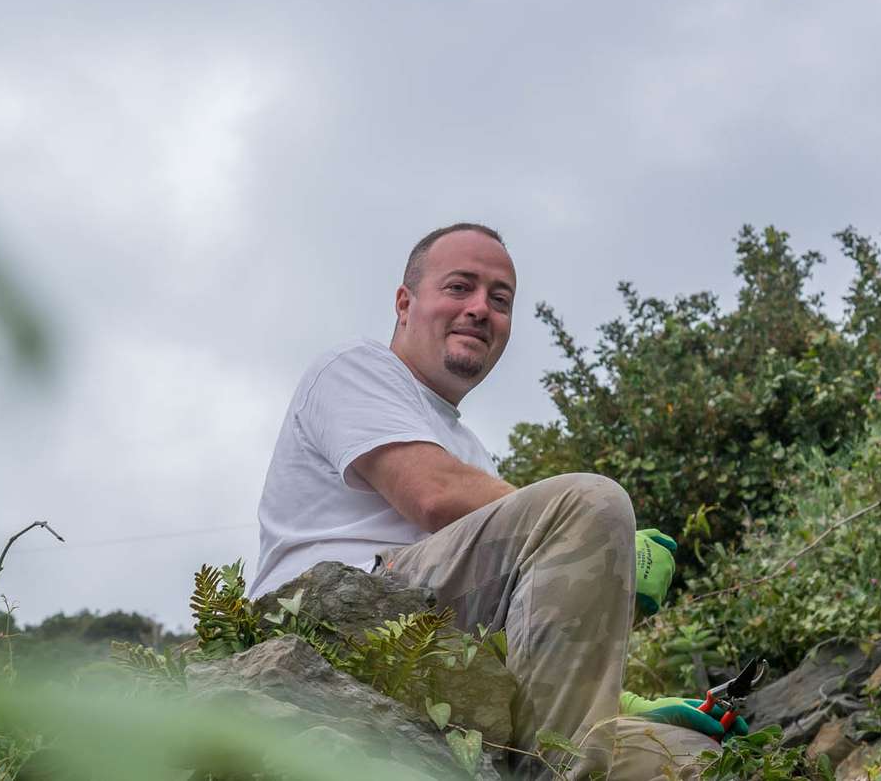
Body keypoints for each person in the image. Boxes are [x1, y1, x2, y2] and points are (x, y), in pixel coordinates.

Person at [249, 223, 742, 779]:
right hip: (335, 616)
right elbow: (430, 493)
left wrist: (617, 703)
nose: (481, 309)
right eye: (460, 287)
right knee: (592, 503)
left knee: (690, 756)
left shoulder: (473, 453)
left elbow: (527, 626)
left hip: (444, 654)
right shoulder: (353, 368)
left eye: (500, 299)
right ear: (405, 303)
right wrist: (607, 535)